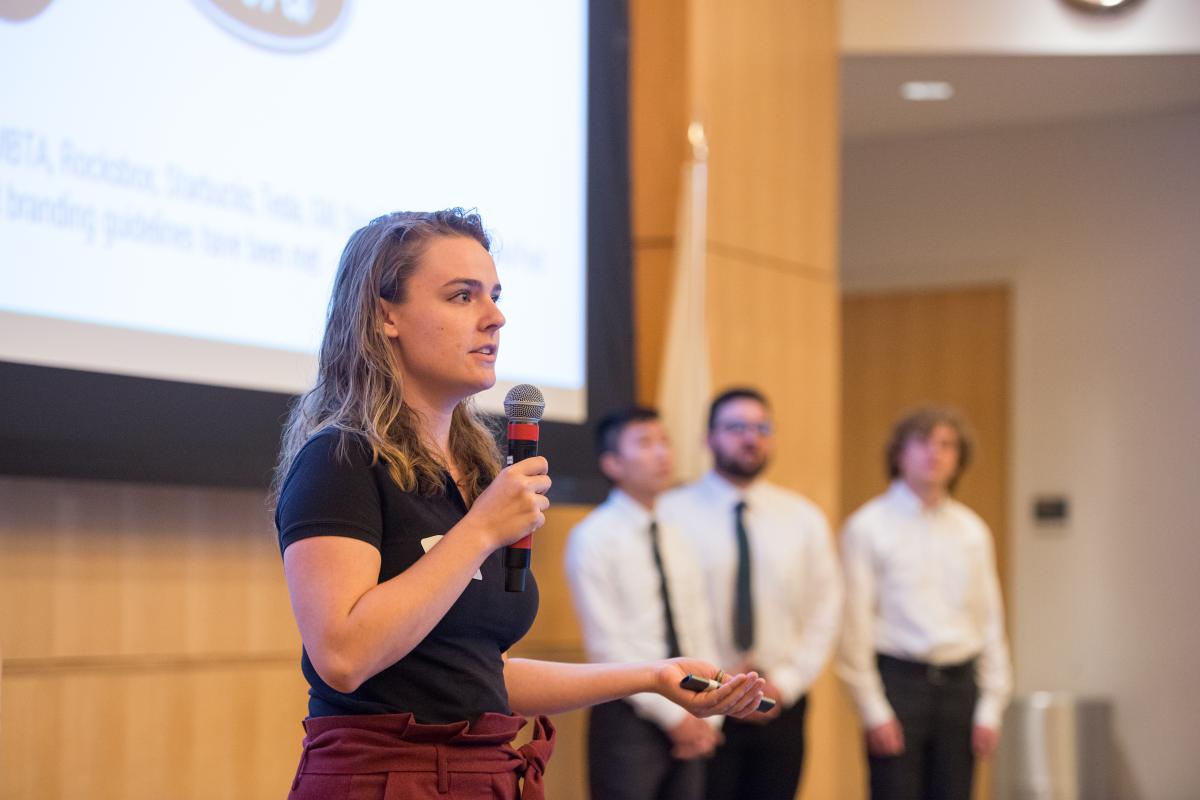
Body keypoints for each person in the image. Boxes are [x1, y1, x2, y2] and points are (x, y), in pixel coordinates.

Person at [272, 209, 768, 800]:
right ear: (385, 316)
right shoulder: (342, 460)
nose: (495, 317)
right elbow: (343, 656)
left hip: (484, 773)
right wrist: (479, 531)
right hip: (384, 779)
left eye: (495, 295)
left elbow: (479, 676)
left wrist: (652, 677)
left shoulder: (476, 475)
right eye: (462, 296)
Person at [659, 387, 843, 800]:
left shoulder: (802, 518)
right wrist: (712, 688)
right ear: (709, 439)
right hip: (698, 702)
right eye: (736, 427)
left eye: (762, 428)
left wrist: (789, 682)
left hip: (779, 704)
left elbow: (825, 610)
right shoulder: (671, 513)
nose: (750, 438)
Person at [837, 407, 1012, 800]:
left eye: (946, 445)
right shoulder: (869, 527)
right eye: (923, 442)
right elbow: (855, 627)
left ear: (958, 459)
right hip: (900, 685)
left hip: (959, 687)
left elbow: (990, 624)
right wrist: (872, 709)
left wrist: (990, 707)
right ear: (899, 453)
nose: (935, 453)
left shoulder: (972, 531)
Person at [565, 406, 724, 800]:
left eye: (664, 441)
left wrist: (709, 715)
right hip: (628, 714)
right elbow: (607, 646)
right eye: (645, 443)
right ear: (613, 463)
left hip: (693, 706)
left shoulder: (679, 537)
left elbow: (700, 628)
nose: (662, 453)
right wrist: (675, 718)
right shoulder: (593, 537)